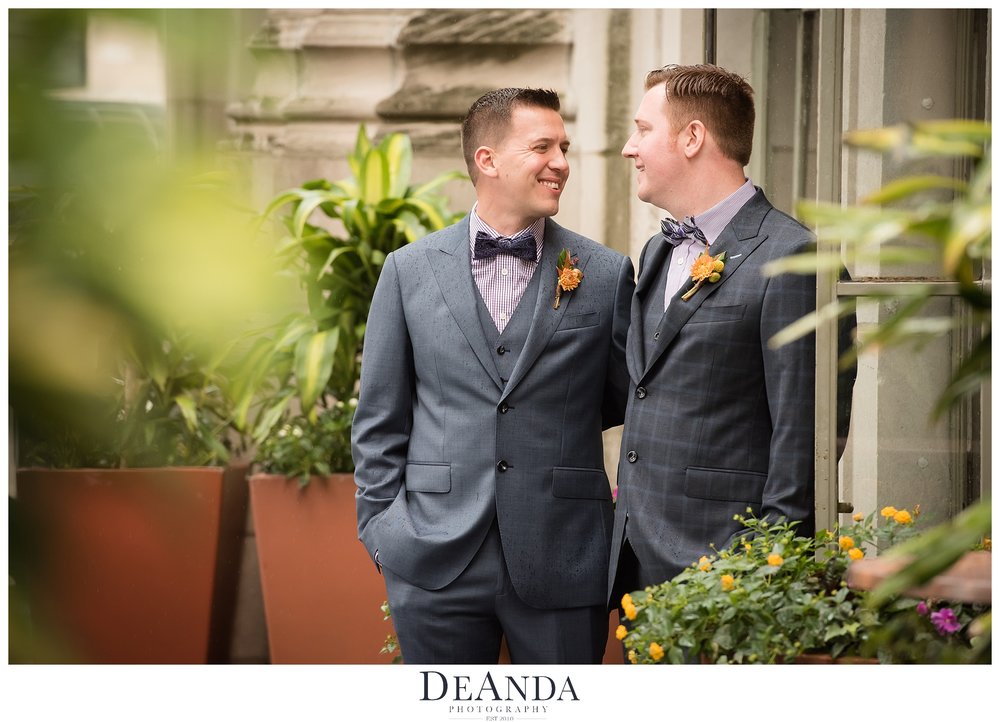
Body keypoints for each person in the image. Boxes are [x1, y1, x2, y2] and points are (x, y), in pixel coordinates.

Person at [352, 87, 635, 664]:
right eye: (542, 147)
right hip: (434, 558)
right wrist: (383, 532)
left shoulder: (605, 274)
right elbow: (379, 418)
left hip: (564, 554)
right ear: (488, 160)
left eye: (564, 147)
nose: (561, 162)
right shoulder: (408, 271)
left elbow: (619, 399)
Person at [608, 64, 829, 604]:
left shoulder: (795, 258)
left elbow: (804, 436)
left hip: (728, 572)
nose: (628, 148)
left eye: (643, 129)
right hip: (639, 562)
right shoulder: (658, 251)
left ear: (692, 137)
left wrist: (767, 570)